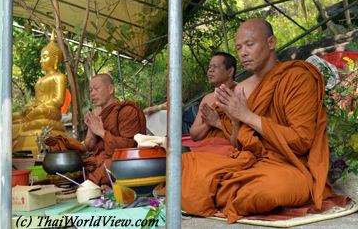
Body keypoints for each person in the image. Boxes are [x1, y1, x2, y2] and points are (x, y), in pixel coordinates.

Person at [182, 18, 332, 223]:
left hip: (292, 165)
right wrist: (235, 122)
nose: (243, 52)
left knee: (263, 191)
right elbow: (238, 143)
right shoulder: (242, 88)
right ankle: (225, 189)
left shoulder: (297, 77)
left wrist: (247, 116)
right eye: (239, 47)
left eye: (250, 44)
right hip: (251, 161)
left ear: (271, 43)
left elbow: (301, 140)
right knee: (185, 163)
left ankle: (225, 191)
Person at [83, 74, 146, 185]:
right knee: (77, 167)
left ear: (110, 89)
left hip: (121, 161)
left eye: (96, 89)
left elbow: (130, 146)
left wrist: (101, 132)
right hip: (100, 161)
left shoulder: (127, 111)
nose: (92, 93)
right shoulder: (98, 114)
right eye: (90, 90)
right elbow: (89, 146)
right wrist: (92, 128)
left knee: (109, 167)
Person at [12, 33, 67, 156]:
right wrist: (30, 107)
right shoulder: (39, 80)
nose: (41, 60)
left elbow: (59, 100)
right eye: (41, 57)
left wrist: (38, 107)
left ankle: (24, 124)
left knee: (40, 111)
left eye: (45, 57)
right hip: (37, 110)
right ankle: (23, 124)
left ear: (56, 59)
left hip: (50, 111)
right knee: (12, 116)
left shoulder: (59, 77)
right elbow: (37, 100)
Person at [189, 52, 237, 141]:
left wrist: (217, 122)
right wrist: (208, 123)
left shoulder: (241, 93)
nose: (210, 70)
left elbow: (245, 135)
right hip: (208, 148)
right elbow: (194, 135)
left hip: (232, 150)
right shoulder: (208, 98)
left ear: (230, 71)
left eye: (215, 67)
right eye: (209, 67)